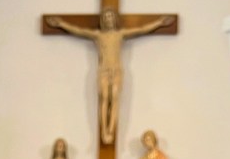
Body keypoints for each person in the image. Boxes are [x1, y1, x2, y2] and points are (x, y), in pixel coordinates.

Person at [46, 9, 175, 144]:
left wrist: (159, 23)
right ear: (102, 21)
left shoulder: (120, 34)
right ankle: (103, 131)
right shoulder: (98, 35)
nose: (108, 19)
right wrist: (61, 24)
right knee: (104, 97)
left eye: (110, 17)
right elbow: (79, 31)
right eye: (106, 17)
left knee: (114, 97)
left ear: (114, 20)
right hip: (103, 70)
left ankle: (111, 130)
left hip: (116, 70)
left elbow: (141, 29)